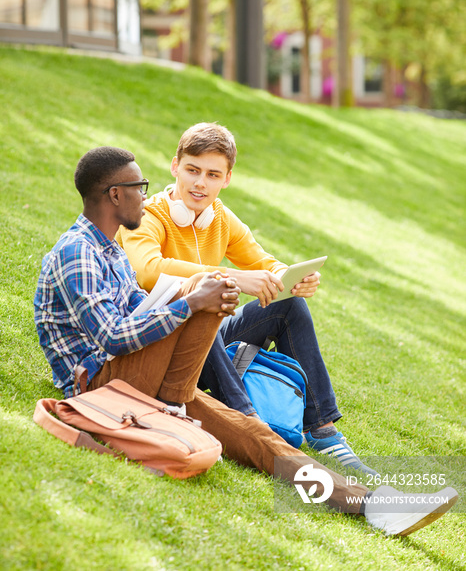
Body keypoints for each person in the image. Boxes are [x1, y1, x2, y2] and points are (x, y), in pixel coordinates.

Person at [34, 146, 458, 537]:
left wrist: (200, 298)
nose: (144, 199)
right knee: (201, 285)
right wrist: (191, 302)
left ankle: (373, 507)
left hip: (154, 381)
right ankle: (183, 404)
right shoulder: (78, 252)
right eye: (138, 189)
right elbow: (111, 336)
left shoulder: (109, 251)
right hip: (102, 386)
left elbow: (140, 309)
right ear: (113, 195)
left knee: (258, 439)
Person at [116, 123, 371, 473]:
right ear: (175, 166)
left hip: (207, 345)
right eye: (192, 170)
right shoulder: (147, 215)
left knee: (289, 306)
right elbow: (148, 269)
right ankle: (252, 424)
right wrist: (234, 277)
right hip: (158, 340)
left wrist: (291, 278)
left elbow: (263, 262)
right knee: (206, 305)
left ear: (227, 179)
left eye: (212, 174)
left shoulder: (219, 218)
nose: (200, 183)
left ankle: (323, 430)